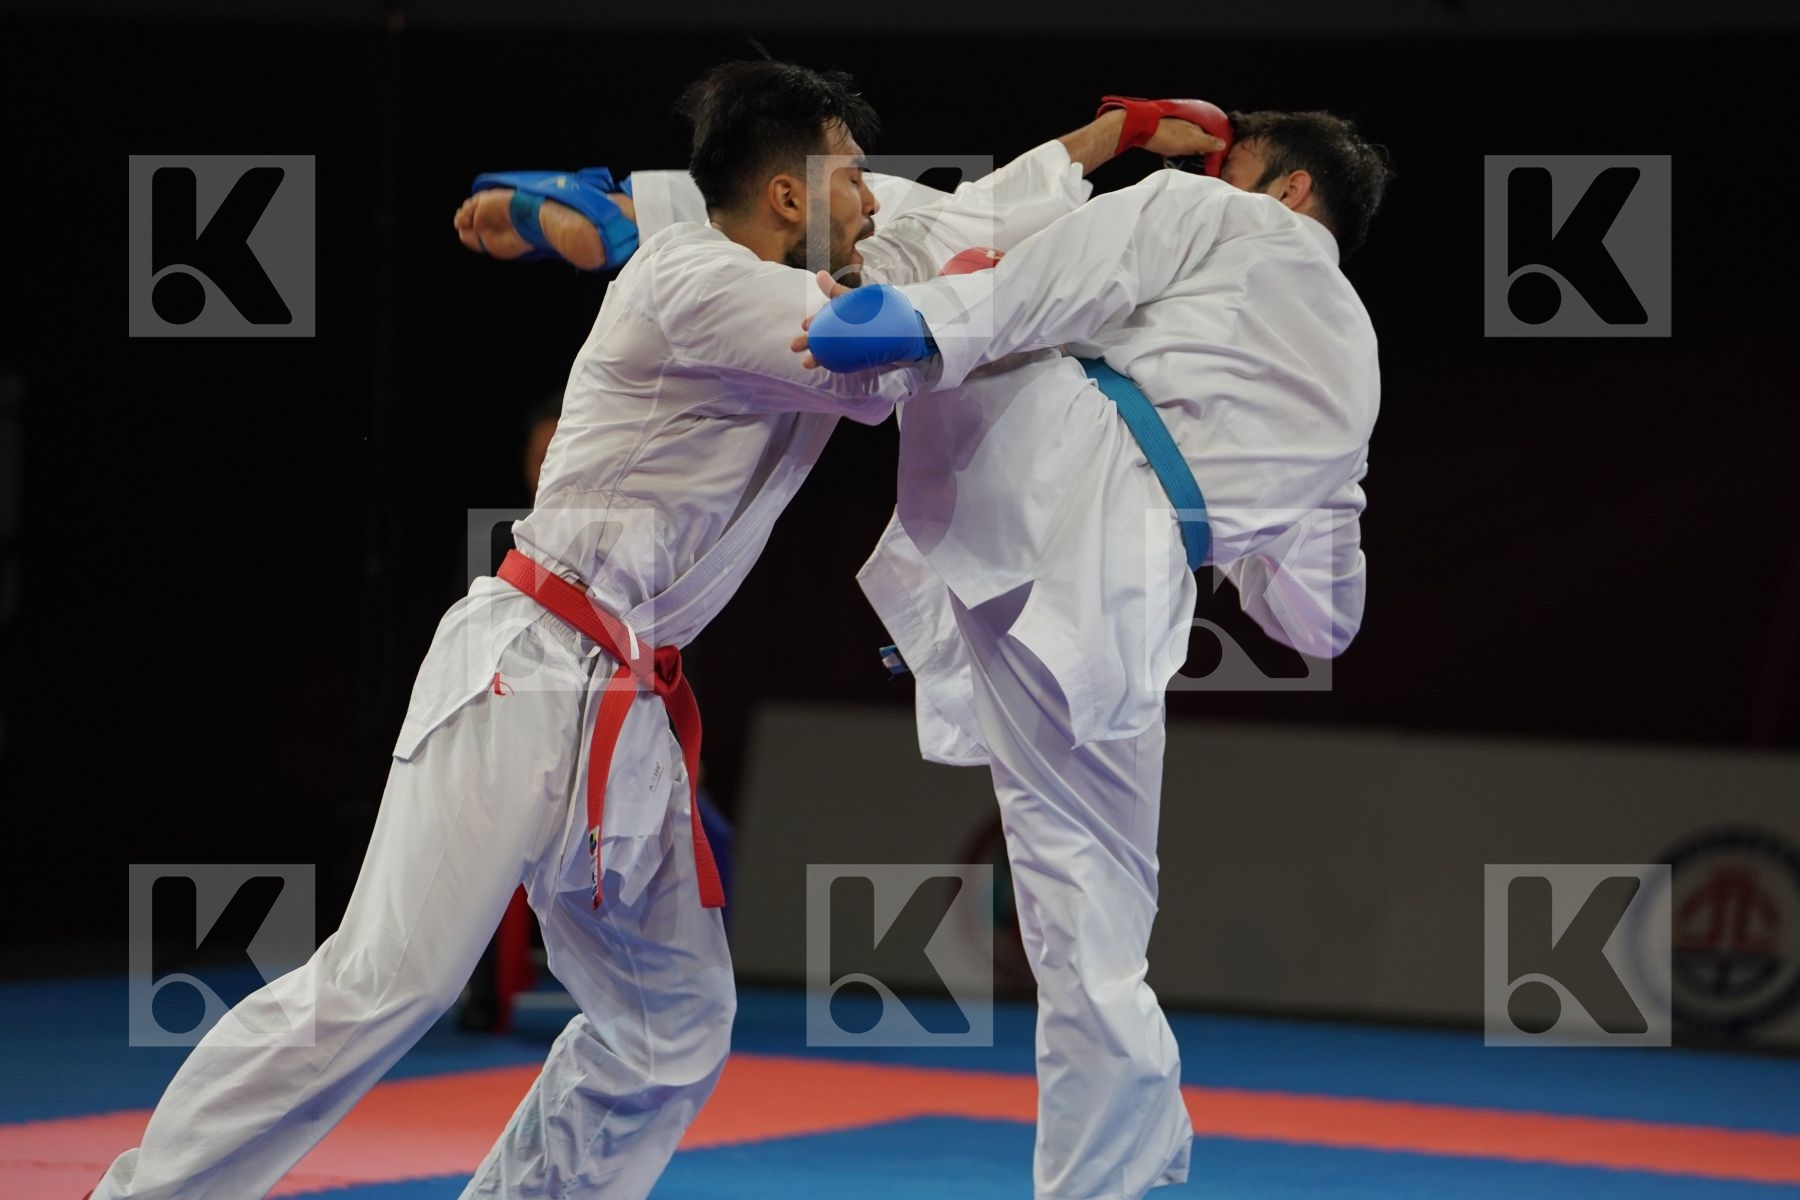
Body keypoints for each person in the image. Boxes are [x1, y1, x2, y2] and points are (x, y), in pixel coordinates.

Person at [85, 60, 1213, 1200]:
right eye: (853, 178)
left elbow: (962, 218)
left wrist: (1113, 137)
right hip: (526, 669)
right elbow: (881, 357)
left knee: (670, 1023)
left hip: (622, 703)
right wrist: (1040, 283)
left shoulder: (801, 265)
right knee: (387, 984)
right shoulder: (694, 280)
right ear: (786, 193)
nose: (874, 201)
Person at [795, 106, 1392, 1199]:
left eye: (1234, 166)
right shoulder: (1357, 375)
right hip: (1139, 591)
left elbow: (1070, 272)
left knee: (971, 243)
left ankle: (723, 230)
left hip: (1048, 477)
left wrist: (923, 326)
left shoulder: (1213, 211)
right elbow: (1324, 622)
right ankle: (1116, 1169)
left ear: (1292, 189)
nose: (1211, 174)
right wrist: (1239, 517)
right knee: (1096, 910)